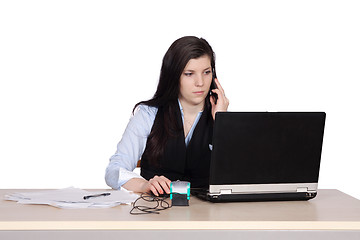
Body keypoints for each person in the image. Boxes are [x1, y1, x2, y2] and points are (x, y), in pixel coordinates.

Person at [105, 36, 229, 196]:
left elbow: (239, 175)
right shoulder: (148, 114)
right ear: (173, 76)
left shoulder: (220, 115)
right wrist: (144, 185)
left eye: (206, 72)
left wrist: (222, 123)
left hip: (209, 215)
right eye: (189, 74)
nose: (200, 82)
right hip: (155, 212)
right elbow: (114, 171)